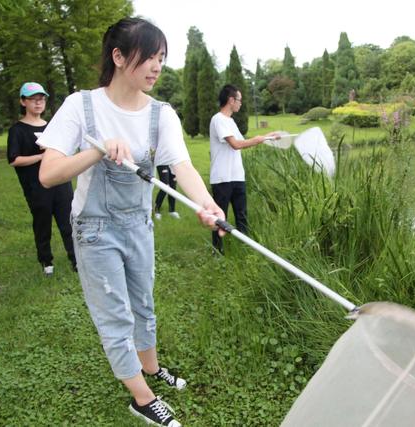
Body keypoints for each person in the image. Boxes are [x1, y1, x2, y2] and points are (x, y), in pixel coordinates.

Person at [38, 18, 224, 427]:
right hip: (95, 231)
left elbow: (182, 166)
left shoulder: (161, 114)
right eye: (150, 57)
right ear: (119, 57)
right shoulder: (81, 106)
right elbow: (49, 174)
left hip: (139, 225)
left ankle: (152, 369)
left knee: (144, 305)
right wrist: (98, 150)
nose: (158, 66)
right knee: (116, 315)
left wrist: (208, 205)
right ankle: (141, 398)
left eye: (162, 58)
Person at [7, 82, 76, 276]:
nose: (38, 103)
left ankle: (76, 260)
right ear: (23, 102)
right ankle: (46, 262)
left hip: (61, 183)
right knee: (42, 224)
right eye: (33, 99)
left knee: (69, 222)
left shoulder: (52, 126)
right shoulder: (17, 130)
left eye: (41, 99)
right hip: (36, 186)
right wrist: (41, 156)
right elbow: (14, 160)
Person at [209, 84, 279, 253]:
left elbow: (243, 141)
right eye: (239, 100)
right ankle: (217, 251)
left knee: (242, 216)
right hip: (222, 178)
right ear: (231, 100)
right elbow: (236, 144)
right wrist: (259, 139)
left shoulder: (231, 121)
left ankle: (247, 250)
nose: (241, 103)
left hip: (237, 176)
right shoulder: (218, 119)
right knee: (220, 217)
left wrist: (268, 137)